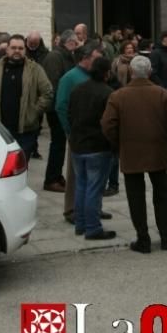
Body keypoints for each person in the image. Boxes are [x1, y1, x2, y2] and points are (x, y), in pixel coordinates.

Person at [101, 55, 167, 253]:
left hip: (130, 151)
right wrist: (164, 139)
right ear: (150, 72)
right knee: (161, 194)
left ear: (131, 72)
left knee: (135, 197)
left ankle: (143, 240)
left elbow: (107, 125)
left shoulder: (118, 96)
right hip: (157, 150)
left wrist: (119, 143)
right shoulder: (162, 94)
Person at [0, 34, 53, 154]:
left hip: (25, 131)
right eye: (13, 48)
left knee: (21, 167)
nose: (17, 51)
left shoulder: (35, 69)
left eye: (20, 48)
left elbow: (47, 93)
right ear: (7, 49)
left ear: (25, 50)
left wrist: (33, 112)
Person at [57, 42, 106, 223]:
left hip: (96, 135)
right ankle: (72, 210)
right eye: (97, 58)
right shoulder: (70, 78)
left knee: (97, 174)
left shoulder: (95, 77)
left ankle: (94, 208)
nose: (100, 61)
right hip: (78, 134)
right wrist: (70, 131)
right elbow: (61, 106)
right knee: (76, 174)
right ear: (85, 58)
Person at [68, 57, 116, 240]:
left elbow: (69, 113)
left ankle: (80, 223)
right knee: (94, 189)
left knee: (82, 185)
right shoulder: (108, 93)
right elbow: (109, 123)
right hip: (98, 146)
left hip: (78, 144)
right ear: (107, 73)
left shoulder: (78, 89)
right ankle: (93, 227)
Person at [41, 30, 78, 193]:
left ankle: (56, 176)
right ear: (68, 42)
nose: (77, 45)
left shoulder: (67, 56)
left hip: (63, 106)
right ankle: (51, 179)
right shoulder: (55, 57)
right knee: (57, 143)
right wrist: (58, 106)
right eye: (75, 42)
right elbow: (52, 84)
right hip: (57, 107)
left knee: (60, 143)